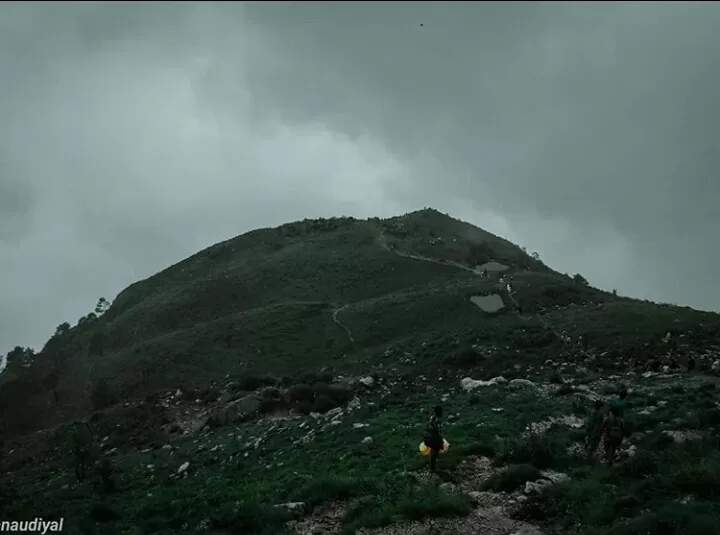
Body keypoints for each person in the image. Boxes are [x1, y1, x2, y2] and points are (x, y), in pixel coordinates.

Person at [423, 406, 444, 472]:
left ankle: (431, 466)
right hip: (436, 439)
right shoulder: (438, 421)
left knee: (432, 452)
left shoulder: (432, 418)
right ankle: (433, 468)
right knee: (435, 452)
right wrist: (441, 441)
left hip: (430, 437)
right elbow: (440, 432)